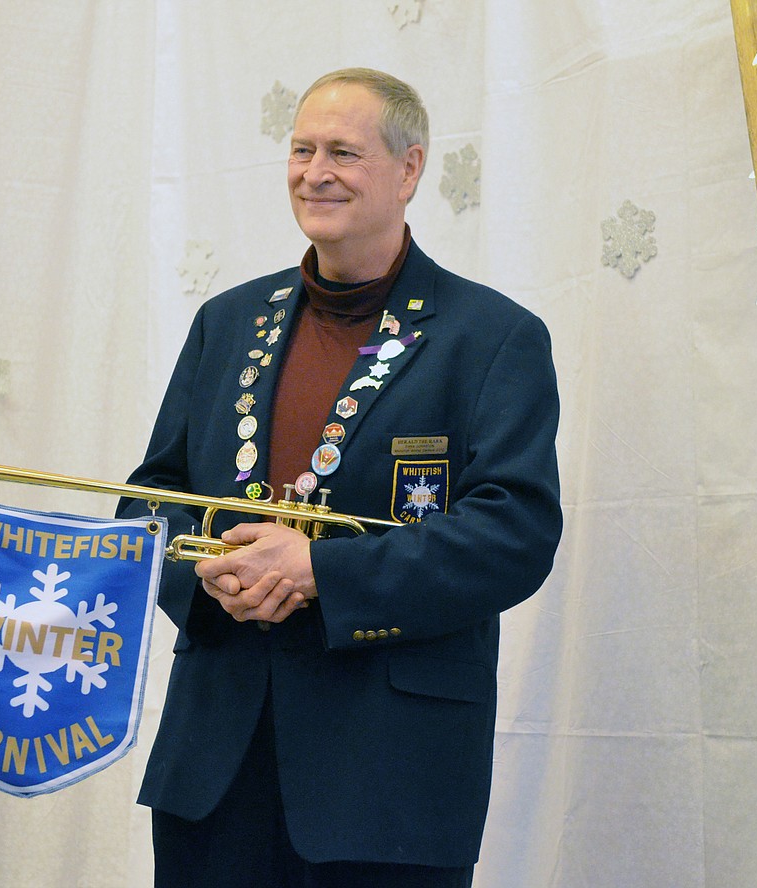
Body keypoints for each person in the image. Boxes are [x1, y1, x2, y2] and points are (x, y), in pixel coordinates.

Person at [116, 67, 562, 888]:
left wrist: (318, 571)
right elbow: (149, 503)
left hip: (390, 778)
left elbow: (515, 535)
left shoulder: (494, 338)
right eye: (301, 149)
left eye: (344, 152)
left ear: (410, 169)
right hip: (212, 765)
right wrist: (215, 575)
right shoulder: (226, 322)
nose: (315, 172)